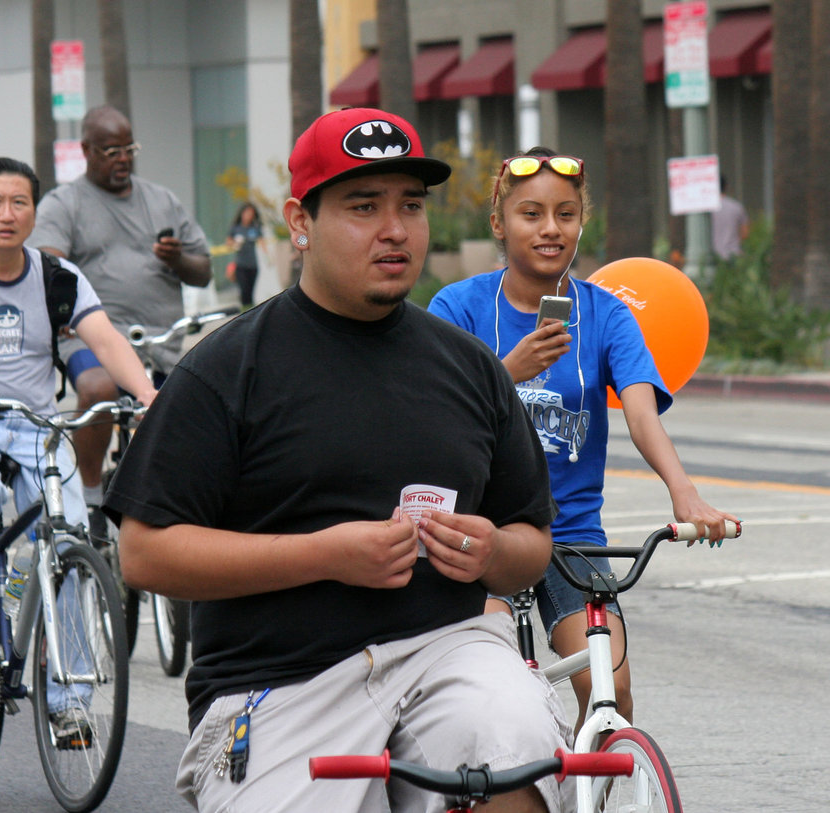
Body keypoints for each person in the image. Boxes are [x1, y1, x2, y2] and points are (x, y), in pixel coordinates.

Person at [105, 108, 573, 813]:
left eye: (410, 206)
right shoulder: (227, 369)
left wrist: (491, 551)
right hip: (281, 678)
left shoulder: (471, 368)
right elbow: (142, 554)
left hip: (448, 647)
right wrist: (322, 555)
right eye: (363, 206)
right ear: (301, 221)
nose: (395, 229)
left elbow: (530, 543)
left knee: (511, 747)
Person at [428, 147, 739, 732]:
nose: (550, 229)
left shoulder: (607, 315)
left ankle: (585, 788)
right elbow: (432, 417)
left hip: (571, 536)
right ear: (499, 223)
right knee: (484, 694)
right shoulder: (457, 308)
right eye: (531, 213)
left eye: (565, 214)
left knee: (612, 690)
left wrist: (685, 493)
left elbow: (644, 415)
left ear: (580, 222)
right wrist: (507, 371)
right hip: (480, 532)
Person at [0, 156, 156, 736]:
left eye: (20, 202)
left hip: (33, 422)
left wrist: (146, 396)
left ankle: (68, 700)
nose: (7, 213)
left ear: (34, 213)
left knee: (68, 533)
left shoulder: (57, 276)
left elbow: (105, 338)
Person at [29, 105, 212, 528]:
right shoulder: (65, 203)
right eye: (111, 151)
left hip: (159, 341)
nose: (123, 159)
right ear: (86, 150)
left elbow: (203, 271)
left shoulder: (161, 200)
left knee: (194, 412)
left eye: (129, 149)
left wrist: (177, 258)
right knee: (99, 387)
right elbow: (47, 264)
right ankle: (89, 497)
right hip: (90, 338)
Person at [225, 202, 267, 308]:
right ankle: (244, 311)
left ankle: (249, 311)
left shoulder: (255, 228)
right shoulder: (236, 228)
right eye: (247, 212)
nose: (249, 215)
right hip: (241, 265)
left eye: (251, 213)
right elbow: (228, 242)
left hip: (253, 264)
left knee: (250, 292)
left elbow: (262, 242)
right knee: (244, 291)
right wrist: (236, 243)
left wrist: (268, 257)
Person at [710, 174, 749, 261]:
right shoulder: (737, 206)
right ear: (726, 186)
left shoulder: (706, 209)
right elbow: (745, 233)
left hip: (712, 256)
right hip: (734, 254)